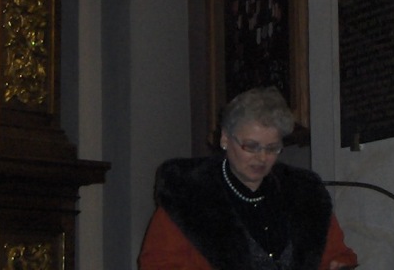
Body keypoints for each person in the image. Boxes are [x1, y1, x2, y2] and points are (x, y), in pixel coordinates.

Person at [138, 87, 358, 270]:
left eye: (272, 148)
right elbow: (158, 264)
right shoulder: (187, 195)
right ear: (225, 139)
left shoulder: (304, 194)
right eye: (251, 146)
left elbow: (338, 256)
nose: (262, 157)